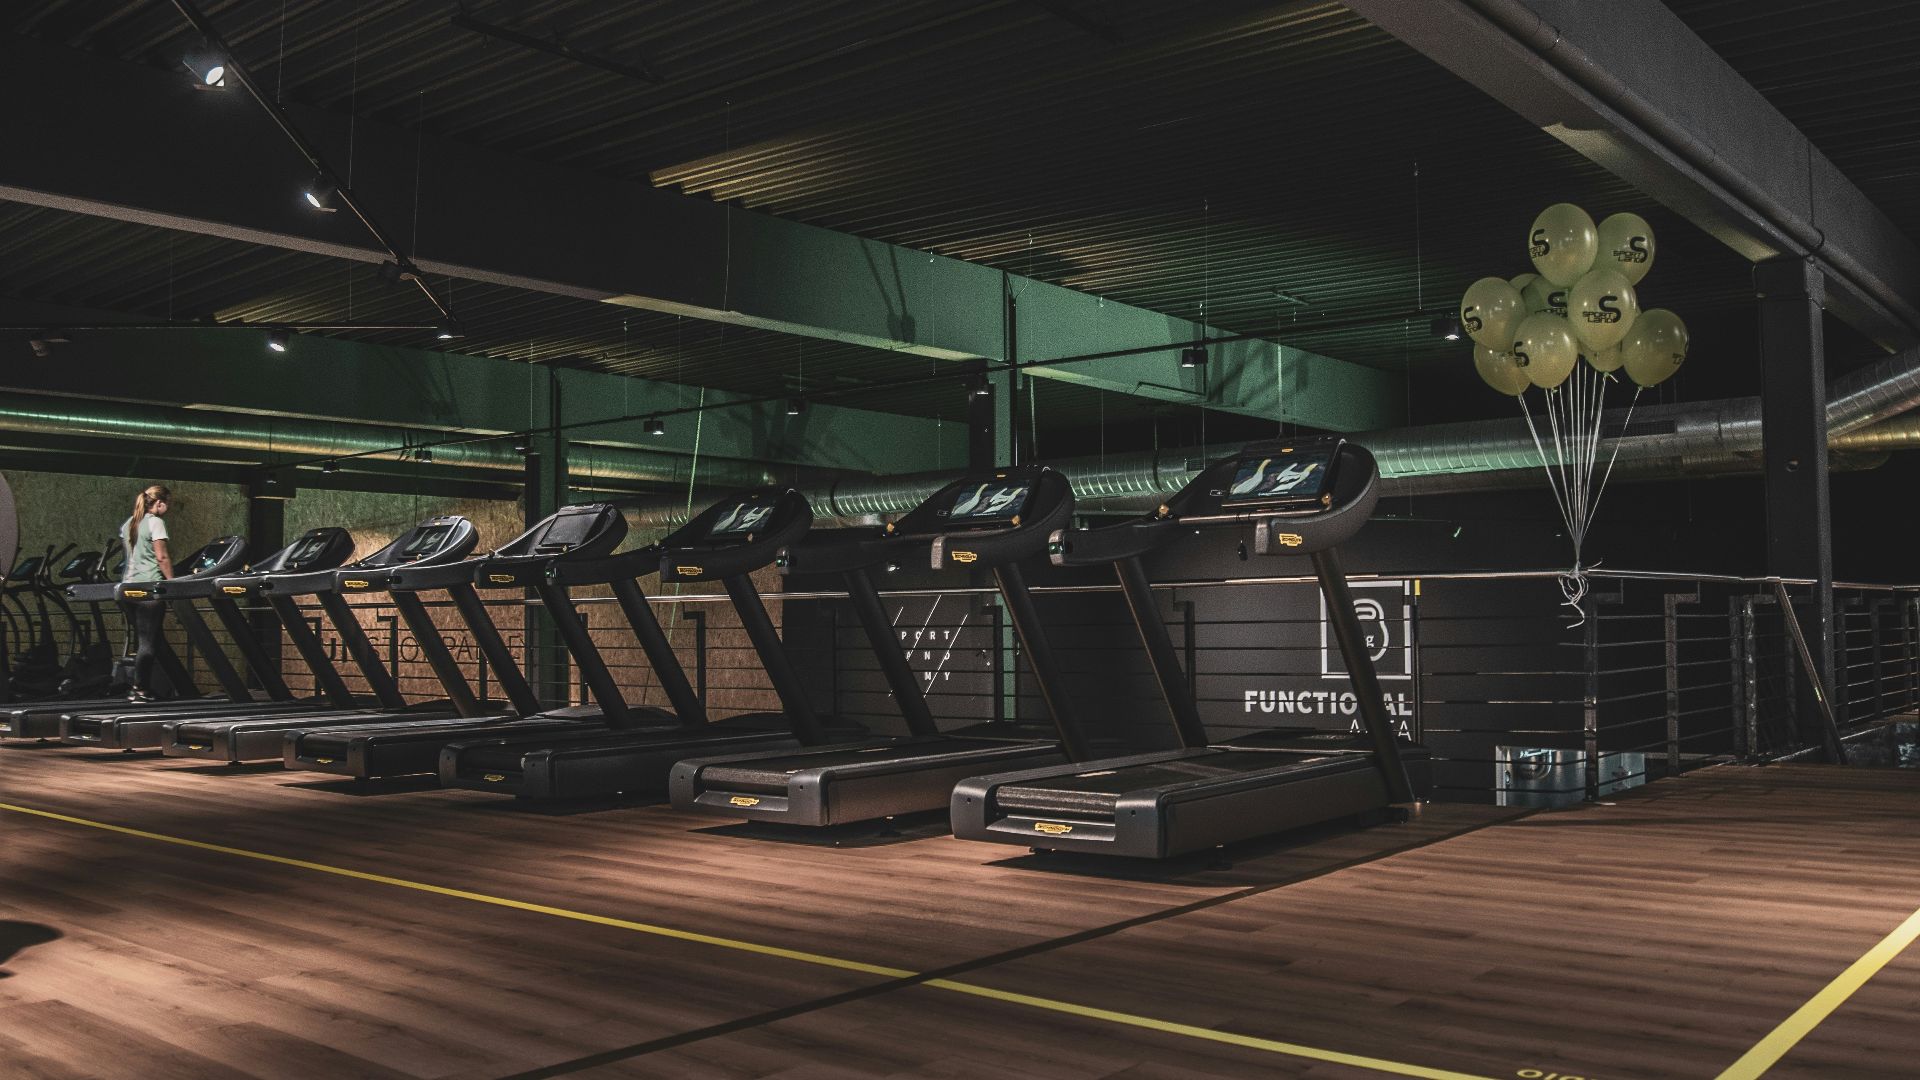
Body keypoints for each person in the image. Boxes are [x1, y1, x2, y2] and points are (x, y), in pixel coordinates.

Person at [120, 484, 175, 702]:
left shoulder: (129, 523)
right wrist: (174, 585)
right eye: (167, 504)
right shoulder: (156, 522)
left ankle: (158, 686)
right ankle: (139, 689)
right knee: (148, 643)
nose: (168, 508)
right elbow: (162, 557)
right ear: (159, 503)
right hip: (149, 589)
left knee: (149, 639)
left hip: (128, 588)